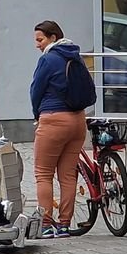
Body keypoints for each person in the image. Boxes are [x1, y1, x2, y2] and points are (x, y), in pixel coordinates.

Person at [29, 20, 89, 239]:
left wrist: (37, 114)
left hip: (53, 120)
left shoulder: (48, 59)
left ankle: (45, 225)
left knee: (43, 174)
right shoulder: (76, 57)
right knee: (67, 176)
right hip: (78, 121)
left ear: (53, 37)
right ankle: (64, 225)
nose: (37, 45)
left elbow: (36, 90)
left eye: (40, 39)